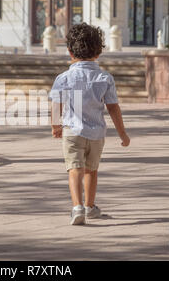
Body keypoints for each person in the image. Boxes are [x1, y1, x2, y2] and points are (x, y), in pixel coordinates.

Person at [49, 23, 130, 226]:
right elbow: (113, 108)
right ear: (99, 52)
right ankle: (90, 207)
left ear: (69, 52)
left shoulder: (64, 78)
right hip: (96, 134)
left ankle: (77, 207)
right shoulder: (105, 78)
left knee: (74, 169)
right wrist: (123, 134)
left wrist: (55, 126)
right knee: (91, 170)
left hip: (72, 132)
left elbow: (56, 105)